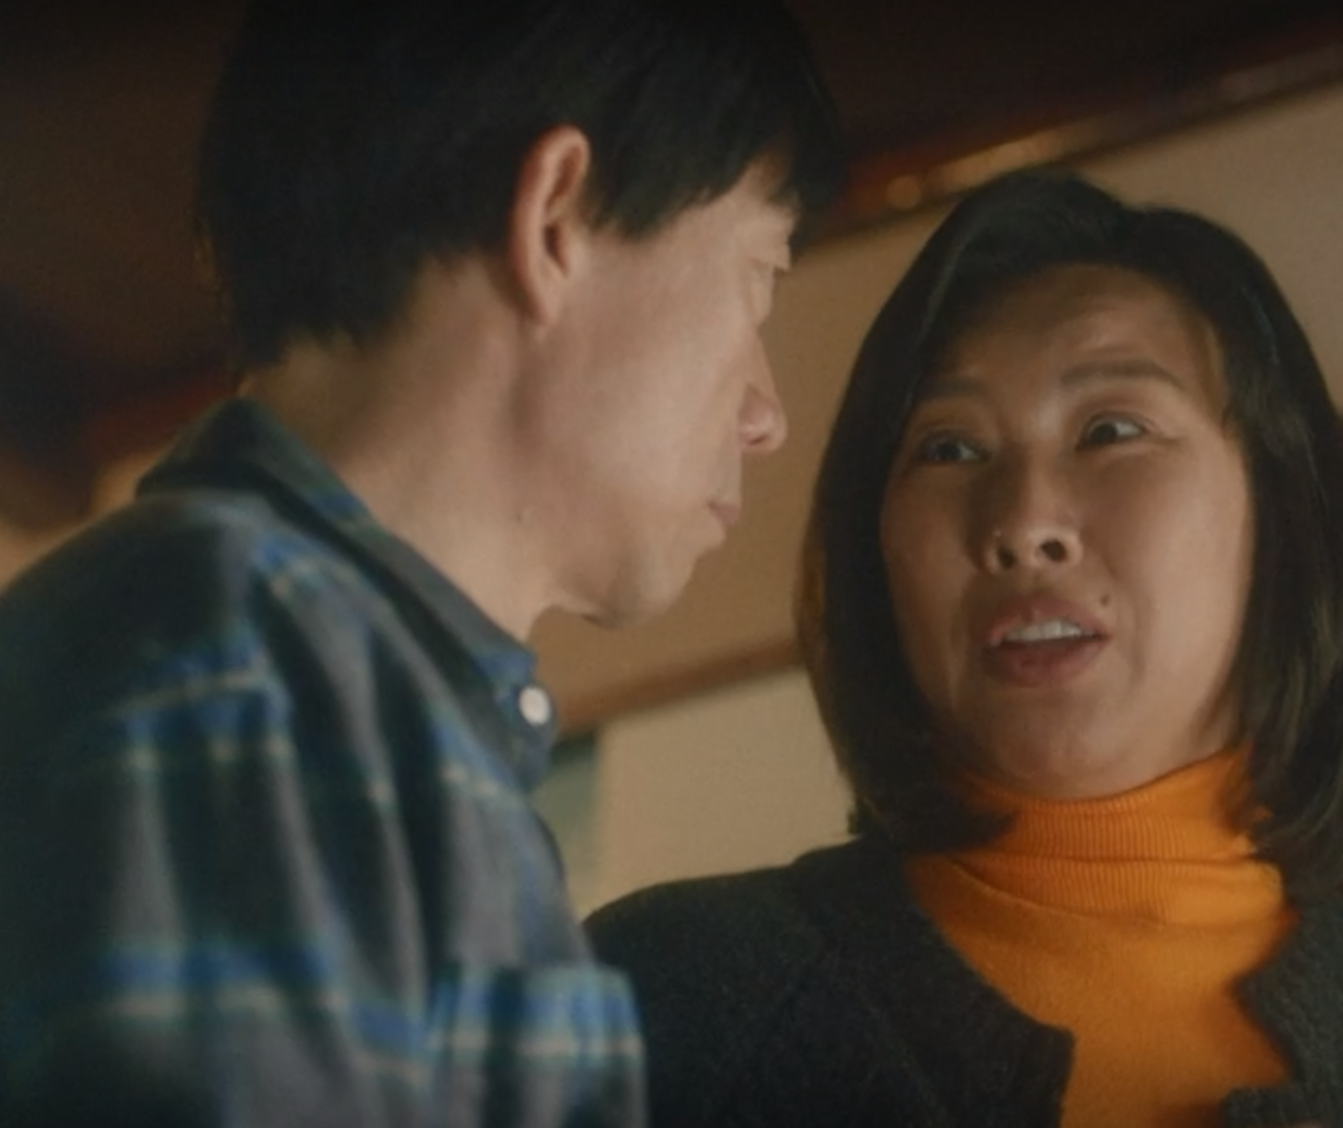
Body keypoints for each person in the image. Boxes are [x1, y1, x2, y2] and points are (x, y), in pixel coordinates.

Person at [586, 169, 1343, 1128]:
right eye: (949, 448)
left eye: (1111, 431)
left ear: (1277, 520)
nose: (1022, 523)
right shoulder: (665, 1001)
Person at [0, 0, 842, 1124]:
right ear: (556, 219)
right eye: (758, 275)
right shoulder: (249, 664)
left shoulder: (295, 672)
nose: (766, 414)